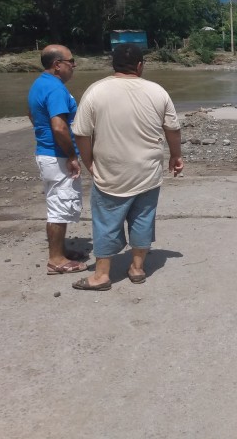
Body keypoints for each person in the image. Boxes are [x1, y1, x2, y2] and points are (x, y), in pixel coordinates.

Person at [70, 44, 183, 291]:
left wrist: (88, 162)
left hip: (110, 172)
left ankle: (101, 275)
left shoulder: (95, 91)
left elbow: (80, 133)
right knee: (143, 219)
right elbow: (173, 129)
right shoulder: (157, 91)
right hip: (147, 171)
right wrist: (176, 156)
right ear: (140, 66)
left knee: (106, 221)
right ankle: (137, 268)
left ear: (113, 65)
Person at [28, 44, 88, 275]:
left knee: (58, 203)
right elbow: (60, 127)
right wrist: (72, 155)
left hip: (48, 152)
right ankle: (56, 260)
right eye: (71, 61)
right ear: (57, 65)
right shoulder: (55, 89)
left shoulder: (40, 83)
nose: (74, 65)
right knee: (59, 207)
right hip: (58, 156)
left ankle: (60, 250)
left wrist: (44, 137)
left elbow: (31, 114)